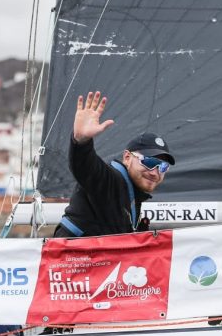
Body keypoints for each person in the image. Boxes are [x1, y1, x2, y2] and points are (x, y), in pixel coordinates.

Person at [53, 91, 176, 238]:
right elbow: (85, 167)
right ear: (127, 157)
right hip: (72, 258)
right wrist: (81, 141)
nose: (155, 173)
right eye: (149, 162)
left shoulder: (134, 195)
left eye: (163, 167)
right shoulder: (110, 182)